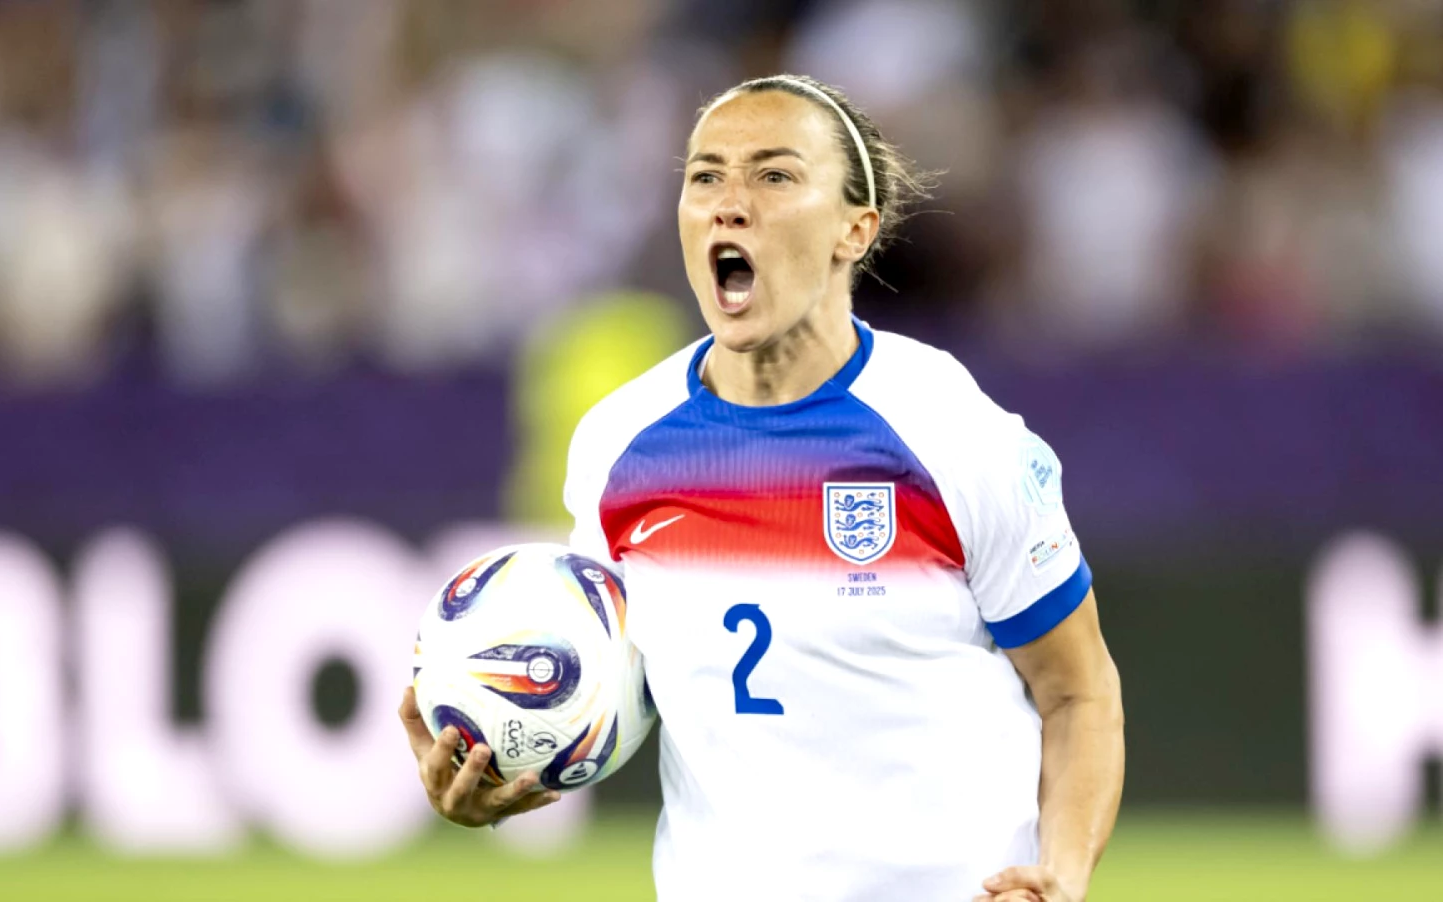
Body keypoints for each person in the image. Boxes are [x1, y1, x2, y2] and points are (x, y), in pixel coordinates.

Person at [399, 73, 1124, 902]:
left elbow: (1079, 691)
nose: (728, 203)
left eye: (774, 175)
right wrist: (504, 772)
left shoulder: (953, 433)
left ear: (857, 228)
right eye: (705, 176)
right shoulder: (617, 444)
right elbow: (603, 690)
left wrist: (1062, 876)